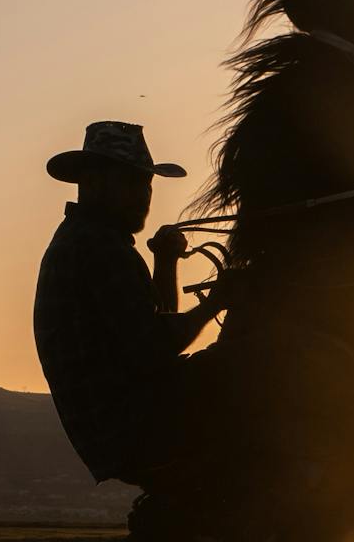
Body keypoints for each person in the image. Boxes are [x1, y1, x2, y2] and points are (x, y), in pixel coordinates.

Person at [34, 119, 223, 488]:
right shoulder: (97, 247)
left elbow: (152, 329)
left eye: (146, 184)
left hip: (119, 432)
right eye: (131, 183)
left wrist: (164, 263)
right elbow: (155, 349)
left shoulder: (88, 239)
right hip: (137, 425)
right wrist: (217, 303)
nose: (143, 196)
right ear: (92, 183)